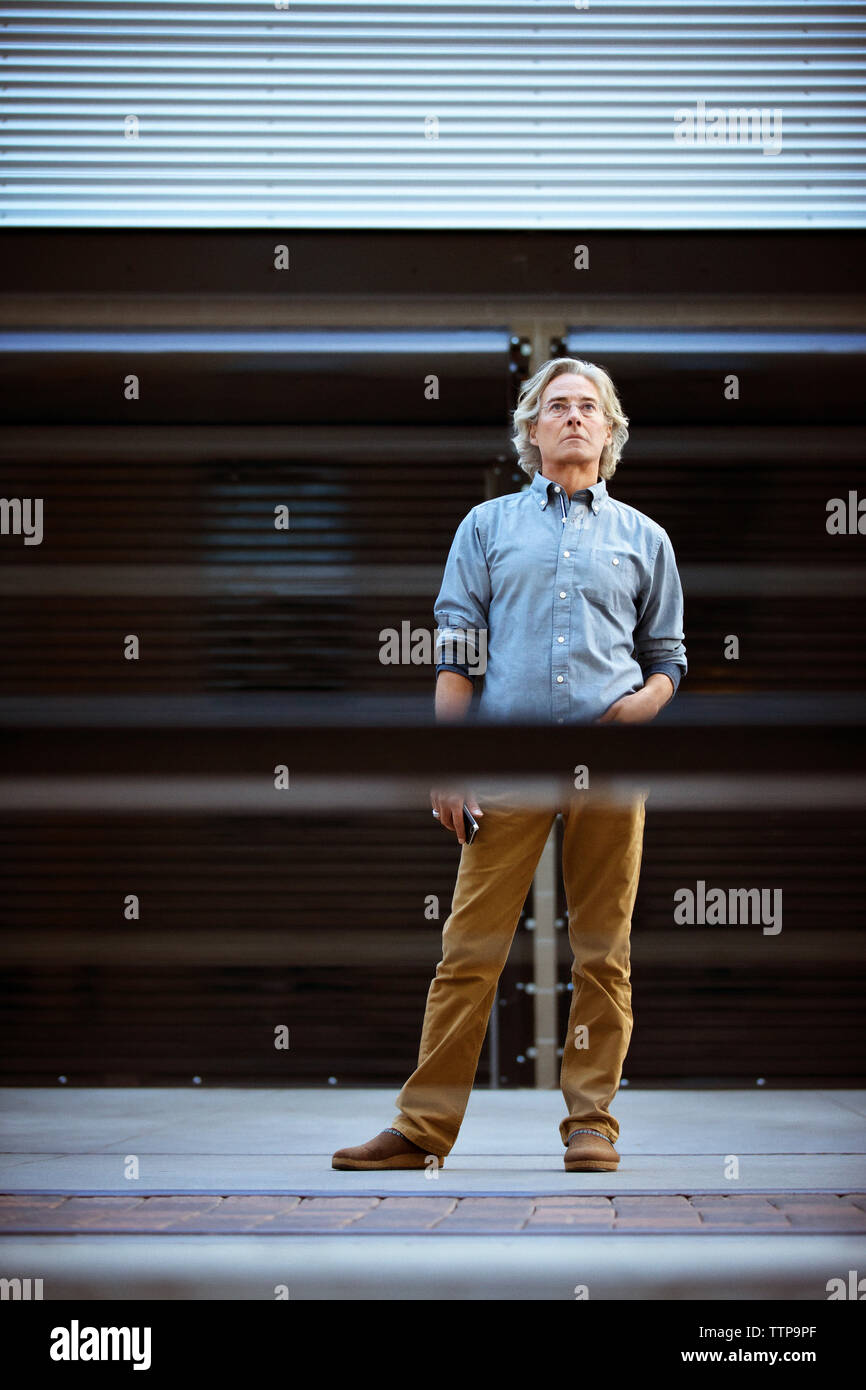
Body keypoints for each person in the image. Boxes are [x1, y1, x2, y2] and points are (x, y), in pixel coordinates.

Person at [332, 356, 687, 1172]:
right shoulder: (486, 527)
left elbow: (668, 654)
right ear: (531, 431)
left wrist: (646, 703)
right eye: (554, 406)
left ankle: (592, 1123)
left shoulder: (645, 538)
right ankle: (422, 1130)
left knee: (604, 951)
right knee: (468, 951)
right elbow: (457, 648)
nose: (571, 417)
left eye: (586, 407)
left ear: (609, 430)